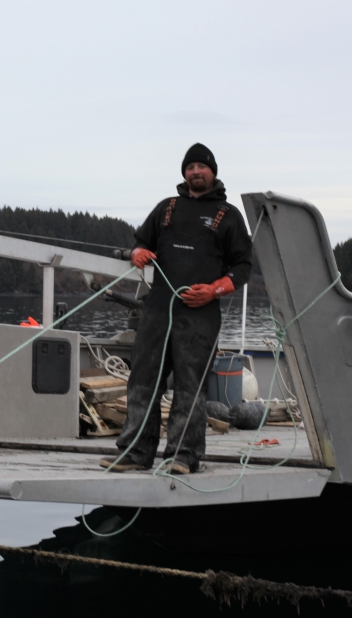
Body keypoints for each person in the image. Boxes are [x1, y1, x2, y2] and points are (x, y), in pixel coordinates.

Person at [100, 143, 253, 475]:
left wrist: (214, 290)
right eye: (190, 167)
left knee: (189, 386)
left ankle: (183, 455)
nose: (195, 171)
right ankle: (135, 452)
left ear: (213, 172)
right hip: (157, 309)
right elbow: (142, 243)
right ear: (184, 172)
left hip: (199, 314)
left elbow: (243, 268)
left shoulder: (229, 215)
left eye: (202, 166)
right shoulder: (166, 207)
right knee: (142, 380)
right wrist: (137, 253)